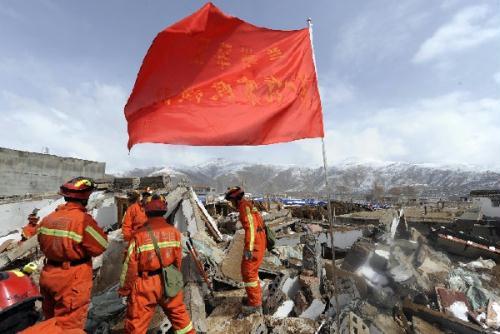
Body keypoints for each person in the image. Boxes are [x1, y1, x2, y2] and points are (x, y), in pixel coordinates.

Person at [37, 177, 108, 330]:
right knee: (69, 326)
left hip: (48, 274)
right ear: (85, 197)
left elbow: (42, 243)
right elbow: (101, 246)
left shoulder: (48, 219)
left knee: (50, 323)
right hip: (71, 279)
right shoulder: (83, 220)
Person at [119, 195, 194, 334]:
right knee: (180, 318)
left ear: (146, 211)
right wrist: (172, 278)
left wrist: (124, 289)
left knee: (136, 325)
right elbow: (178, 260)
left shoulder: (138, 235)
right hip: (168, 279)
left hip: (146, 284)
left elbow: (129, 267)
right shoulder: (175, 232)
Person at [225, 186, 266, 315]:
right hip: (260, 240)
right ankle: (255, 298)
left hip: (255, 244)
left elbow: (251, 229)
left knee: (249, 272)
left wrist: (249, 248)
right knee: (251, 272)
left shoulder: (244, 207)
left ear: (236, 199)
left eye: (231, 201)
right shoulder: (247, 204)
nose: (231, 204)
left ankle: (255, 305)